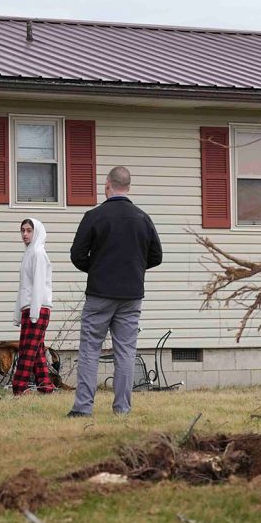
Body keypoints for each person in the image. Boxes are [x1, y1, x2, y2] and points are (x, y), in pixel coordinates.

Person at [68, 166, 162, 417]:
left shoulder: (94, 216)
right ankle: (121, 409)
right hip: (131, 296)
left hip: (100, 293)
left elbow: (76, 255)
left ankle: (83, 408)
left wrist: (98, 269)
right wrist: (133, 269)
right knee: (126, 352)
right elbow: (156, 256)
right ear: (128, 186)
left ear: (107, 184)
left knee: (90, 350)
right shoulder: (143, 218)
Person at [12, 218, 55, 395]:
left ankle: (19, 387)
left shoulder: (38, 253)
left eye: (29, 230)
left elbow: (38, 285)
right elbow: (24, 286)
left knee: (27, 350)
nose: (25, 234)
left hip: (38, 308)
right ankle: (45, 386)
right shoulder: (29, 253)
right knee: (35, 350)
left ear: (37, 232)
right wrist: (18, 314)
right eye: (23, 230)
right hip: (30, 308)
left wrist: (35, 313)